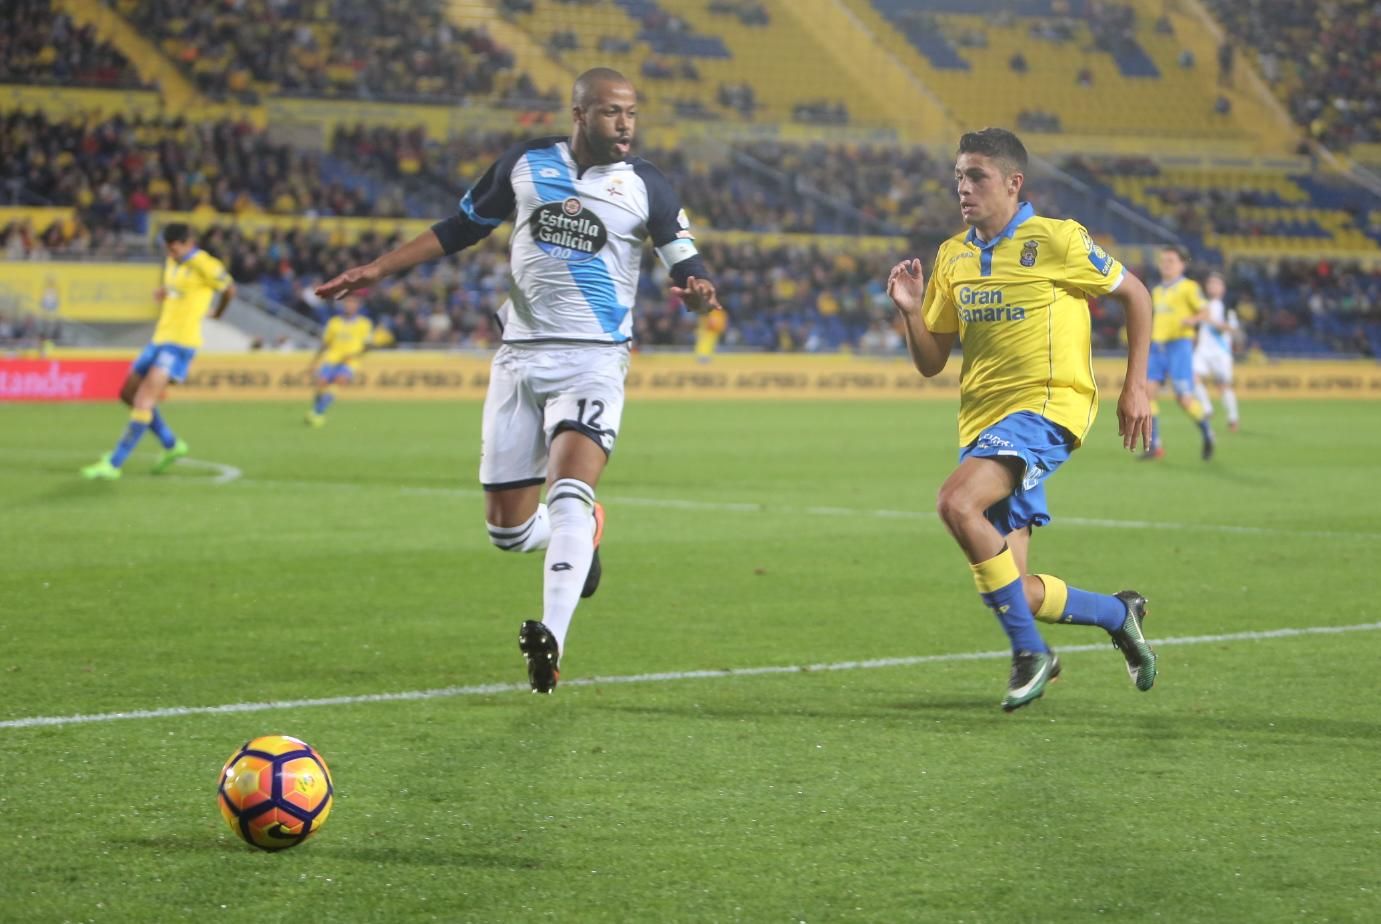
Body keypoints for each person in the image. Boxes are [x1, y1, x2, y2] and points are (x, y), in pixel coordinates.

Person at [313, 67, 719, 694]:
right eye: (612, 112)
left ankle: (552, 640)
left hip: (594, 359)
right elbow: (460, 228)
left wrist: (696, 294)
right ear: (579, 114)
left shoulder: (647, 185)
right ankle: (581, 538)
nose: (625, 125)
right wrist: (378, 268)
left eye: (632, 113)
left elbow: (685, 261)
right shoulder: (525, 165)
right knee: (507, 532)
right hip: (518, 360)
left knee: (569, 490)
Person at [886, 128, 1158, 712]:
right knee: (1015, 588)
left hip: (1047, 408)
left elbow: (1136, 294)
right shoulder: (953, 256)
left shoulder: (1056, 239)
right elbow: (932, 361)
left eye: (976, 176)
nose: (963, 187)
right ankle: (1118, 613)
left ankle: (1031, 654)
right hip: (983, 425)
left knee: (956, 504)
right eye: (958, 175)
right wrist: (911, 313)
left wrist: (1136, 385)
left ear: (1013, 183)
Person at [81, 224, 234, 480]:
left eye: (173, 246)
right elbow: (181, 289)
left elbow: (229, 289)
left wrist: (217, 313)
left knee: (144, 400)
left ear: (188, 243)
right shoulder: (172, 262)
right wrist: (165, 293)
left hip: (181, 343)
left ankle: (114, 464)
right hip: (159, 338)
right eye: (167, 246)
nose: (169, 251)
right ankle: (171, 444)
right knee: (127, 394)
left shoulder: (205, 264)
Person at [1144, 245, 1214, 460]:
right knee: (1147, 395)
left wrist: (1192, 320)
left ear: (1182, 265)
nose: (1166, 264)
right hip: (1157, 347)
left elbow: (1205, 311)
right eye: (1164, 260)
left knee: (1184, 400)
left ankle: (1207, 432)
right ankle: (1155, 445)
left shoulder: (1189, 287)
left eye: (1171, 261)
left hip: (1179, 346)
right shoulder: (1156, 291)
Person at [306, 294, 373, 427]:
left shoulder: (364, 324)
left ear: (358, 306)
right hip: (332, 359)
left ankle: (318, 412)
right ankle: (316, 409)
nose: (350, 305)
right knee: (321, 384)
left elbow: (369, 346)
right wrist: (314, 361)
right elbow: (325, 343)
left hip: (350, 361)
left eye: (353, 303)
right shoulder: (334, 322)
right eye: (348, 302)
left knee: (339, 380)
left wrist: (355, 354)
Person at [1192, 272, 1240, 432]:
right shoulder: (1202, 305)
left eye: (1216, 283)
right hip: (1203, 350)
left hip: (1220, 352)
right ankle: (1207, 408)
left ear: (1223, 288)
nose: (1212, 286)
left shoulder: (1227, 308)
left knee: (1223, 385)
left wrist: (1211, 321)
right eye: (1210, 283)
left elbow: (1232, 329)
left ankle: (1233, 418)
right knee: (1193, 376)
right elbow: (1199, 328)